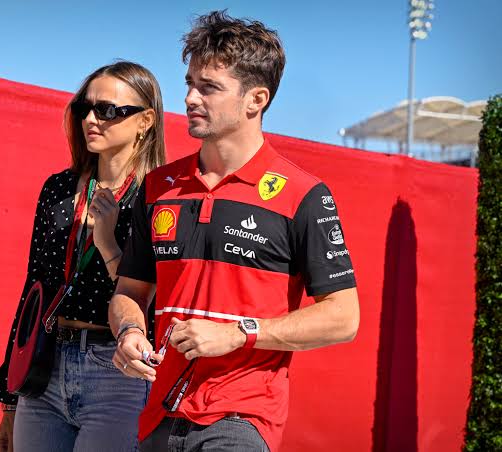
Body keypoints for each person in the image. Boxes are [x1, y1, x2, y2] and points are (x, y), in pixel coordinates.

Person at [109, 11, 360, 452]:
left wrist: (240, 332)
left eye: (208, 87)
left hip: (242, 421)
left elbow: (343, 317)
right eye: (189, 83)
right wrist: (129, 332)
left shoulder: (304, 194)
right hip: (158, 417)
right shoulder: (159, 186)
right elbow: (130, 290)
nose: (189, 97)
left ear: (255, 100)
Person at [0, 61, 166, 452]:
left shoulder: (159, 198)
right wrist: (9, 400)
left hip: (115, 370)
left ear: (145, 121)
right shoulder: (60, 188)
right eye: (86, 107)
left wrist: (107, 244)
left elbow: (152, 300)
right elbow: (33, 291)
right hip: (45, 365)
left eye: (108, 110)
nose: (91, 119)